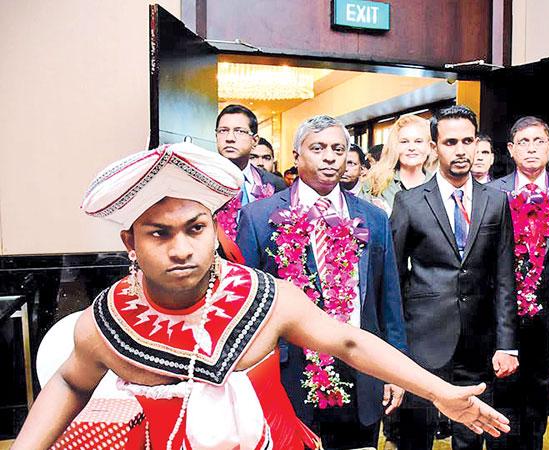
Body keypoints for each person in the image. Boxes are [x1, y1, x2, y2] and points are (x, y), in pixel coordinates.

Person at [12, 142, 510, 450]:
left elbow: (350, 342)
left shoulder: (266, 297)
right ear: (131, 242)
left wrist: (441, 393)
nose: (182, 248)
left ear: (213, 229)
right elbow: (72, 383)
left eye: (195, 228)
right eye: (159, 234)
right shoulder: (105, 323)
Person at [236, 116, 407, 450]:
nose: (329, 157)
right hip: (290, 373)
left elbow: (389, 300)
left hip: (361, 370)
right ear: (297, 156)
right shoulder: (259, 217)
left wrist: (394, 368)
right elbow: (245, 304)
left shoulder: (372, 217)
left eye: (338, 149)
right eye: (318, 148)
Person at [391, 105, 519, 450]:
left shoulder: (496, 202)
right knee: (416, 433)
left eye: (467, 140)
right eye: (450, 142)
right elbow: (393, 276)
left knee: (473, 432)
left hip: (478, 340)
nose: (461, 150)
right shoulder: (410, 202)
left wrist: (506, 343)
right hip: (423, 339)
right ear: (435, 147)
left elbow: (505, 277)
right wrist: (397, 342)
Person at [487, 116, 549, 450]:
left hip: (547, 321)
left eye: (538, 141)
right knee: (500, 408)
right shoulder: (492, 193)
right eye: (523, 142)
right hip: (501, 319)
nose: (531, 149)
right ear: (511, 150)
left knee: (536, 413)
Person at [214, 105, 287, 241]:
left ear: (254, 140)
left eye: (239, 131)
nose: (230, 138)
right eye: (223, 131)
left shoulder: (275, 184)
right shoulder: (201, 179)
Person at [364, 114, 436, 213]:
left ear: (429, 147)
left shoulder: (438, 186)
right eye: (404, 142)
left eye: (418, 141)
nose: (411, 147)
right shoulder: (375, 182)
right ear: (395, 146)